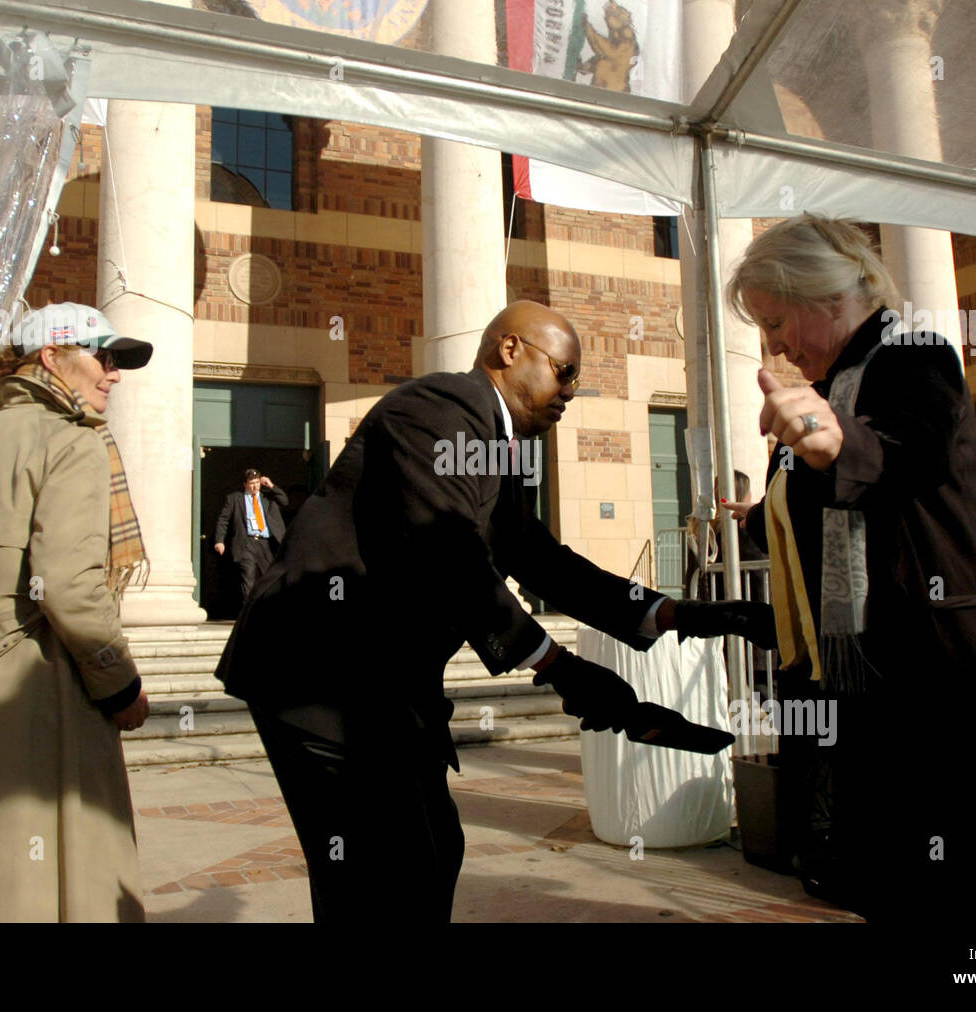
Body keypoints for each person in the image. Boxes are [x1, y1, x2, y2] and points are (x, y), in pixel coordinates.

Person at [215, 300, 770, 922]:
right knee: (387, 870)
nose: (571, 392)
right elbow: (448, 552)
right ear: (510, 350)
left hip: (384, 684)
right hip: (319, 673)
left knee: (427, 854)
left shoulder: (494, 444)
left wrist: (683, 615)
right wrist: (560, 667)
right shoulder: (440, 410)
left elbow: (536, 557)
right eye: (565, 372)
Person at [720, 214, 976, 922]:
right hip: (863, 673)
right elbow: (816, 504)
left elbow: (903, 457)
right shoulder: (827, 383)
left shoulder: (915, 357)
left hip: (937, 671)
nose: (772, 344)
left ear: (826, 297)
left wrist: (837, 444)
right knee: (888, 882)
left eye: (777, 321)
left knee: (968, 891)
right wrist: (760, 517)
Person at [0, 302, 154, 922]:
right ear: (53, 357)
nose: (114, 373)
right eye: (104, 355)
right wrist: (120, 684)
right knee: (60, 881)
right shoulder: (70, 440)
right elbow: (70, 586)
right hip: (35, 691)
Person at [214, 469, 289, 604]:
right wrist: (220, 541)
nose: (255, 486)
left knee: (269, 579)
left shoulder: (267, 497)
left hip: (265, 544)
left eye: (257, 483)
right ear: (245, 484)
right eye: (251, 483)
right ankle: (248, 614)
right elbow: (223, 520)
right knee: (248, 580)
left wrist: (271, 485)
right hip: (246, 543)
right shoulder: (234, 499)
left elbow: (284, 501)